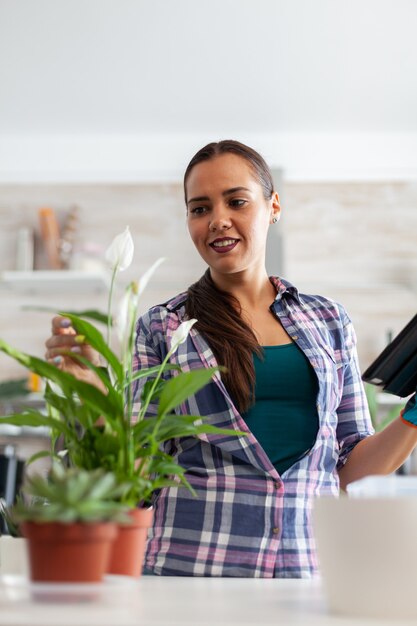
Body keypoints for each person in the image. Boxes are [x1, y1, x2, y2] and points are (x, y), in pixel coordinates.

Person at [45, 140, 417, 578]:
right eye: (199, 209)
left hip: (306, 571)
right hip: (191, 570)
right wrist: (91, 391)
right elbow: (135, 477)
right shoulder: (162, 326)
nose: (218, 219)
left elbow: (354, 472)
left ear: (273, 206)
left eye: (236, 201)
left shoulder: (329, 321)